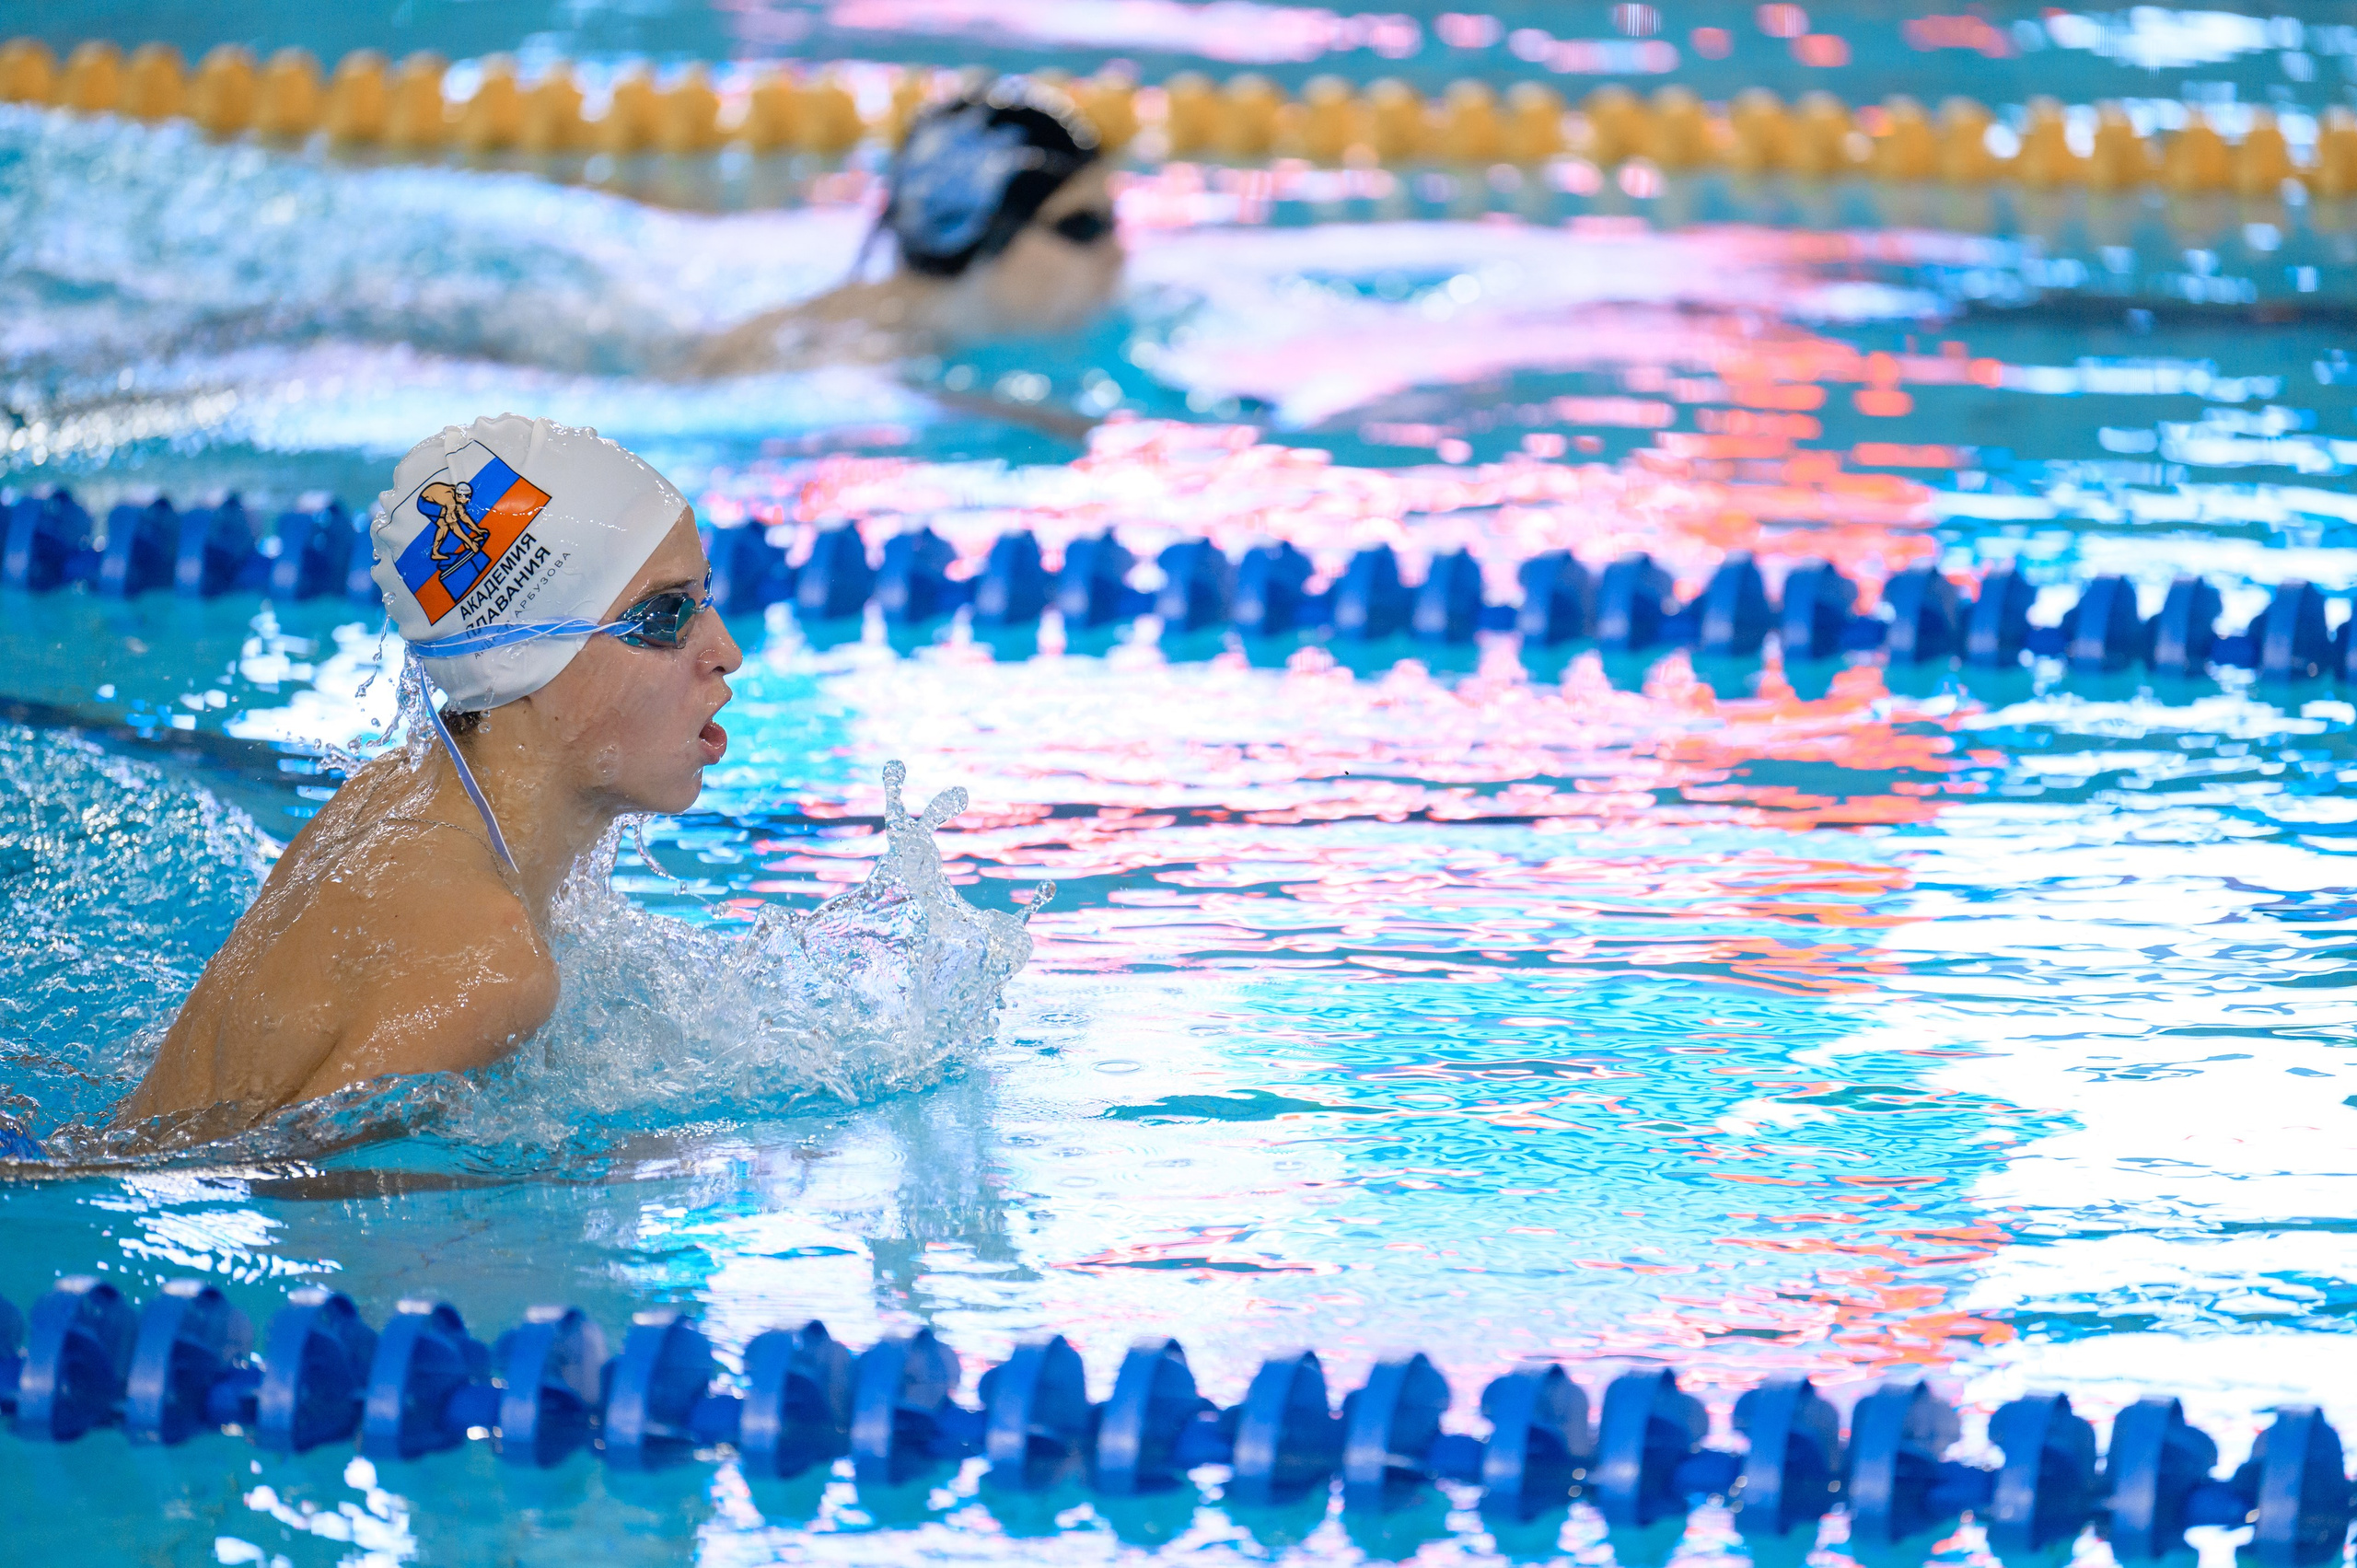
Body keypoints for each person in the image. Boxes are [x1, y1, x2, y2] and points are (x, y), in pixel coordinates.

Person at [114, 414, 743, 1143]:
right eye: (665, 616)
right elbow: (283, 1189)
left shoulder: (399, 792)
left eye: (704, 597)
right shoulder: (488, 964)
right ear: (523, 664)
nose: (725, 649)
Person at [696, 77, 1124, 375]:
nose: (1118, 253)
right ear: (976, 234)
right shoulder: (836, 353)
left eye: (1114, 222)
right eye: (1082, 226)